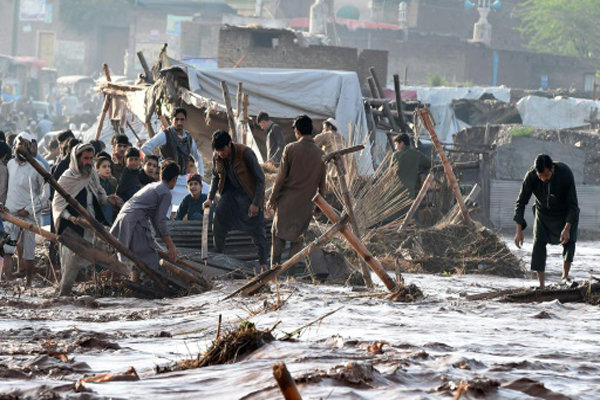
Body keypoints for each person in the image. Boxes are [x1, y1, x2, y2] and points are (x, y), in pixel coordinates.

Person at [53, 143, 121, 296]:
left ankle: (105, 290)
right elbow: (57, 205)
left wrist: (108, 199)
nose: (89, 162)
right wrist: (71, 217)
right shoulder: (67, 178)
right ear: (77, 159)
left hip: (92, 226)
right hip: (73, 229)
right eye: (85, 158)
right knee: (70, 269)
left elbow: (99, 194)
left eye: (91, 158)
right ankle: (63, 297)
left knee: (106, 253)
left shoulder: (92, 175)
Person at [267, 115, 326, 266]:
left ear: (297, 131)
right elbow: (322, 185)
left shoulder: (290, 149)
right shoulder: (321, 154)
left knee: (277, 235)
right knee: (298, 241)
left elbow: (280, 178)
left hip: (286, 203)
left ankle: (273, 273)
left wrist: (271, 199)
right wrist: (319, 207)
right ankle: (290, 275)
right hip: (305, 206)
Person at [514, 154, 579, 289]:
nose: (543, 179)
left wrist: (567, 228)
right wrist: (518, 231)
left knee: (570, 241)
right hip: (542, 214)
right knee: (538, 244)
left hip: (564, 213)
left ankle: (564, 276)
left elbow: (573, 206)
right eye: (540, 176)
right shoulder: (531, 176)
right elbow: (521, 202)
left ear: (552, 169)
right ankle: (542, 285)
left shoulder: (565, 174)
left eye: (546, 176)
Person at [203, 130, 267, 268]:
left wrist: (256, 203)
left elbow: (261, 179)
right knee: (218, 218)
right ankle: (219, 257)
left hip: (248, 194)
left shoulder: (246, 153)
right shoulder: (217, 156)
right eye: (218, 151)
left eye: (223, 150)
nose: (221, 154)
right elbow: (215, 177)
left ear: (229, 144)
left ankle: (263, 263)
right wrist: (210, 198)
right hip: (230, 194)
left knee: (257, 228)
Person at [110, 161, 180, 277]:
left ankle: (125, 281)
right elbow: (160, 221)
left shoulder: (152, 185)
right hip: (135, 221)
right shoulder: (166, 193)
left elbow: (155, 219)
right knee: (149, 260)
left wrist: (162, 242)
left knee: (128, 255)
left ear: (161, 174)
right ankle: (145, 287)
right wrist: (171, 246)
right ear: (174, 179)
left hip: (123, 217)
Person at [2, 132, 48, 285]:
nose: (22, 148)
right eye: (19, 145)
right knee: (7, 248)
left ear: (31, 146)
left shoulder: (38, 167)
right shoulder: (10, 164)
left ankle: (29, 282)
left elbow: (45, 194)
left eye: (26, 145)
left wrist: (29, 209)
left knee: (29, 252)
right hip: (10, 212)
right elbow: (6, 187)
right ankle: (7, 279)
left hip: (29, 214)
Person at [141, 107, 203, 176]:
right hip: (168, 176)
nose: (179, 122)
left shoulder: (189, 138)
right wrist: (159, 163)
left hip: (183, 177)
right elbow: (145, 147)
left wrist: (201, 175)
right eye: (176, 119)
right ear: (171, 119)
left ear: (185, 120)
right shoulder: (165, 135)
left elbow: (198, 157)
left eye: (182, 120)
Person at [313, 117, 357, 190]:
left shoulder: (328, 134)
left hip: (334, 168)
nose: (323, 130)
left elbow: (310, 143)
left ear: (330, 127)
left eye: (324, 128)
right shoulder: (342, 138)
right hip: (348, 171)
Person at [389, 133, 431, 199]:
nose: (395, 147)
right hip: (410, 193)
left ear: (402, 143)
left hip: (396, 192)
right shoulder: (417, 154)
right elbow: (429, 164)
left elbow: (390, 173)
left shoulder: (396, 155)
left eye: (396, 144)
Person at [96, 156, 118, 224]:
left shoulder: (113, 181)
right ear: (97, 168)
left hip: (110, 212)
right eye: (104, 167)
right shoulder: (95, 182)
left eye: (109, 166)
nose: (107, 169)